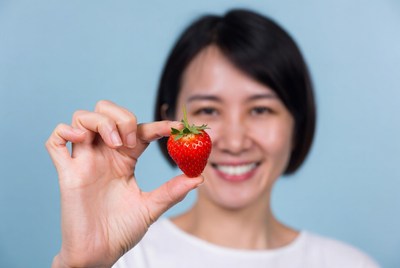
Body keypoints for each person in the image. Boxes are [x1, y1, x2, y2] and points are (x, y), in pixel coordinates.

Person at [47, 9, 379, 268]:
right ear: (168, 120)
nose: (234, 141)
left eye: (261, 110)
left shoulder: (350, 264)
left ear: (298, 122)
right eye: (208, 110)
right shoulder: (123, 259)